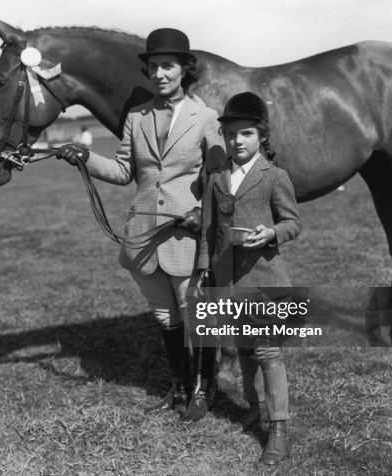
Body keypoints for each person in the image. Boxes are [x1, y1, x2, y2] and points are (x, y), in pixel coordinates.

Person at [56, 28, 226, 421]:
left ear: (185, 70)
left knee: (194, 312)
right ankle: (180, 387)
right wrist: (85, 156)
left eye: (167, 66)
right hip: (144, 235)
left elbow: (219, 175)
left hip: (186, 231)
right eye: (153, 67)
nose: (159, 74)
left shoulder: (206, 118)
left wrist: (204, 213)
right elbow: (122, 171)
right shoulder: (136, 117)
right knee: (165, 316)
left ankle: (203, 391)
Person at [197, 92, 301, 464]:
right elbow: (209, 230)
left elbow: (293, 222)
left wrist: (271, 233)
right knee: (242, 345)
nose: (237, 141)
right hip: (227, 278)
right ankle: (255, 404)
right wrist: (203, 272)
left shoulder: (274, 177)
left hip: (264, 278)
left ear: (262, 137)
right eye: (231, 135)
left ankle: (279, 428)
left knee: (268, 351)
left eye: (246, 134)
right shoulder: (217, 178)